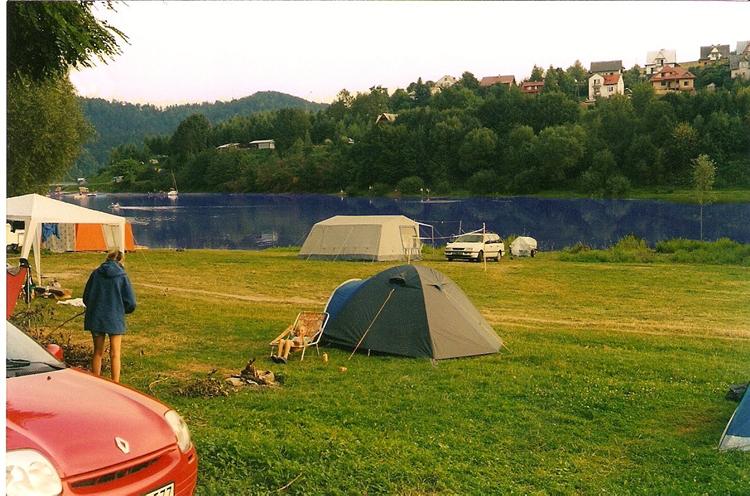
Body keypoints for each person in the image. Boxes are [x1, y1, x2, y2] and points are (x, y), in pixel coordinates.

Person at [83, 250, 136, 382]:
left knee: (97, 352)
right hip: (115, 317)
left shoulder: (96, 273)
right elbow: (131, 302)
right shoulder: (122, 276)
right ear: (121, 261)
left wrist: (93, 306)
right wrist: (122, 310)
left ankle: (96, 381)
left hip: (96, 317)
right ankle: (115, 383)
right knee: (115, 354)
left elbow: (86, 297)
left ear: (107, 259)